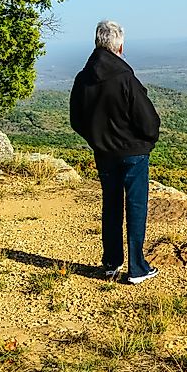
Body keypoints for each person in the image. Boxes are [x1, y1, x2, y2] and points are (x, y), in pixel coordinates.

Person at [69, 20, 160, 284]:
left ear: (98, 43)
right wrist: (146, 141)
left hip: (104, 154)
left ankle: (111, 264)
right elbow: (148, 120)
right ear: (119, 45)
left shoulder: (82, 79)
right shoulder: (124, 77)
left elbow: (77, 120)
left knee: (110, 206)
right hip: (133, 153)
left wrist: (97, 140)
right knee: (135, 206)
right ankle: (137, 268)